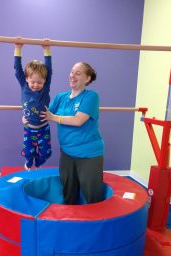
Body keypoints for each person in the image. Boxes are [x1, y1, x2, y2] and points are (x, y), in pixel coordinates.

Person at [40, 62, 104, 204]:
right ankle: (70, 223)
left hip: (88, 154)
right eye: (72, 72)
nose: (72, 76)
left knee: (92, 194)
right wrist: (29, 117)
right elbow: (44, 114)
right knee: (68, 191)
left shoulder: (91, 96)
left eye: (78, 73)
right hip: (67, 153)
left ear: (87, 79)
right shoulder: (60, 97)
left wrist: (54, 117)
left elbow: (78, 120)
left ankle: (96, 225)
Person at [14, 40, 52, 170]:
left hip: (43, 128)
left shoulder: (45, 89)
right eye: (33, 82)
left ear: (45, 81)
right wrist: (18, 49)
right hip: (29, 128)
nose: (36, 85)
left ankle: (39, 164)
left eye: (39, 82)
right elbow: (17, 69)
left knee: (46, 153)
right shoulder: (24, 85)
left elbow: (49, 70)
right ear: (26, 79)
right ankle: (29, 164)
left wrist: (46, 50)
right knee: (29, 152)